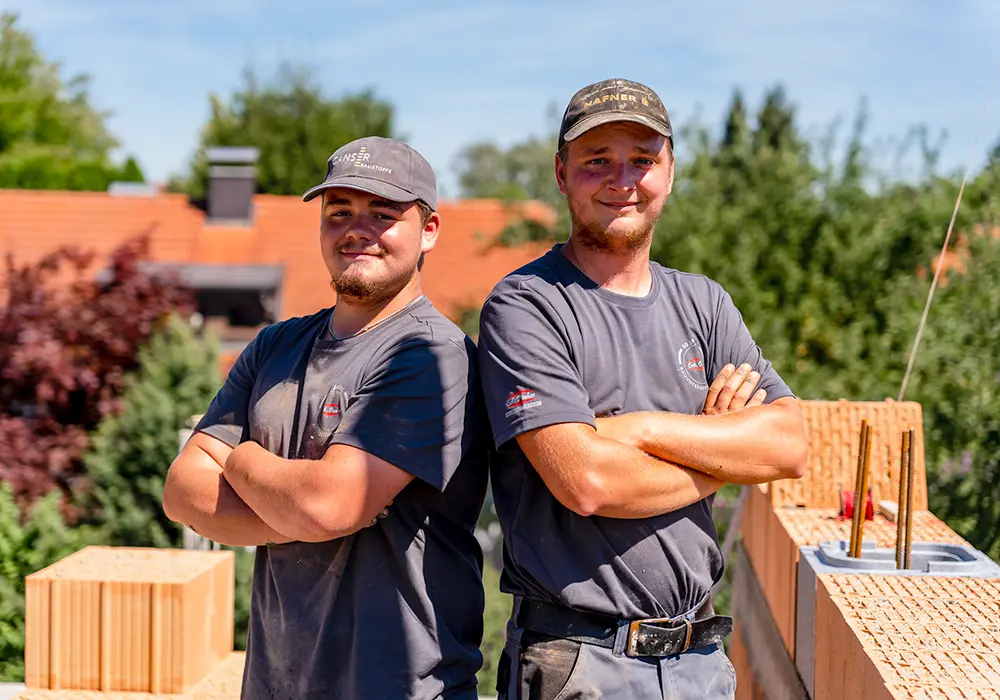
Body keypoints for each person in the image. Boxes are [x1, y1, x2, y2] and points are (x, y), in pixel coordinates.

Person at [476, 78, 810, 700]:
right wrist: (720, 458)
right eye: (597, 161)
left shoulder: (703, 304)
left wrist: (641, 430)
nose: (622, 179)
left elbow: (789, 445)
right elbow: (588, 481)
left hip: (700, 664)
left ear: (671, 171)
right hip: (582, 664)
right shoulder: (526, 306)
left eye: (643, 159)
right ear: (561, 173)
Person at [162, 136, 490, 700]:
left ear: (429, 229)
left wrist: (237, 459)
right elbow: (182, 492)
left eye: (383, 214)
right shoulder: (275, 346)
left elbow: (329, 504)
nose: (355, 229)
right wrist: (303, 510)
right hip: (275, 683)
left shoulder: (433, 356)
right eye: (339, 212)